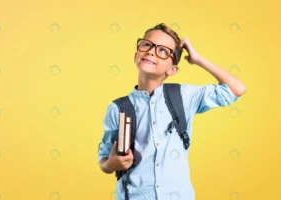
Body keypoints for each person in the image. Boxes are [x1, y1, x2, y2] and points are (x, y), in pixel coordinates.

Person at [98, 23, 246, 200]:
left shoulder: (184, 96)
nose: (151, 52)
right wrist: (111, 164)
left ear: (172, 69)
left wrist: (198, 59)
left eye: (163, 51)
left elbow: (236, 89)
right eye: (146, 44)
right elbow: (104, 159)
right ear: (136, 55)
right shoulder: (118, 108)